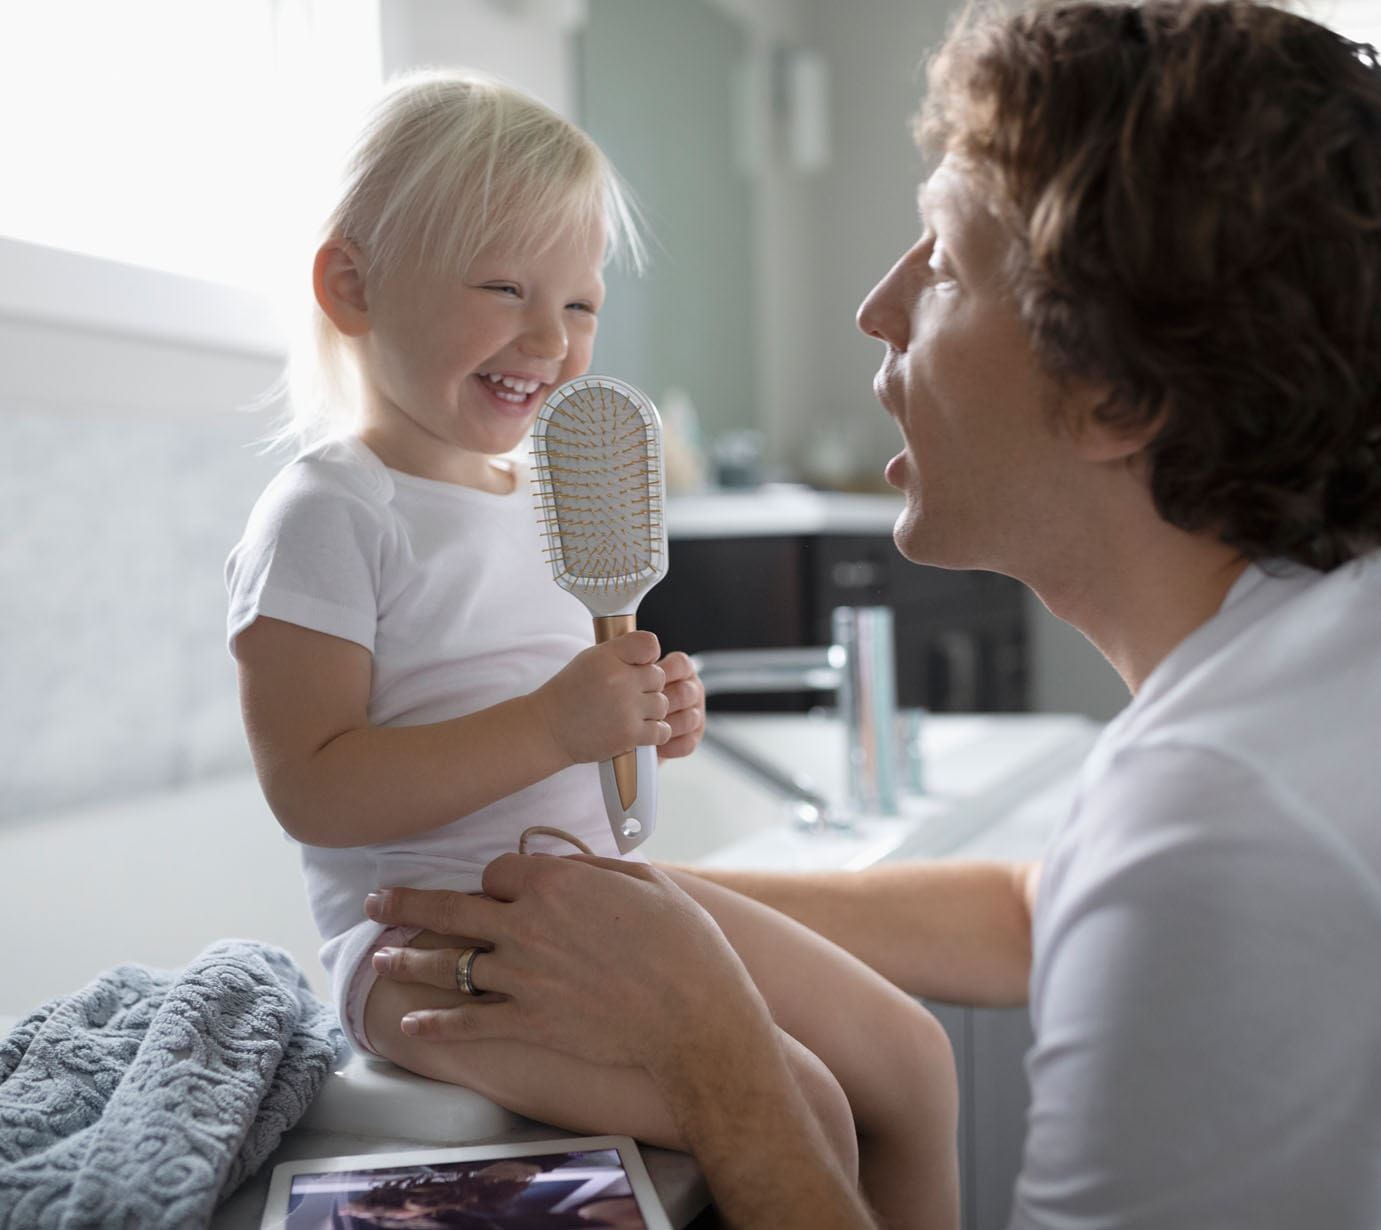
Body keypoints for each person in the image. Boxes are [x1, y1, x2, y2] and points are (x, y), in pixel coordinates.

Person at [362, 2, 1381, 1227]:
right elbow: (1050, 907)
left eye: (945, 263)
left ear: (1115, 392)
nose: (877, 307)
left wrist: (711, 1047)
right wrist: (654, 908)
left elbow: (1184, 882)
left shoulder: (1239, 834)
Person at [224, 68, 960, 1229]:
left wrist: (649, 717)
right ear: (352, 285)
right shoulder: (331, 512)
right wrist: (553, 726)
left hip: (596, 901)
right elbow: (311, 788)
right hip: (432, 946)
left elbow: (561, 719)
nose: (548, 338)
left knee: (911, 1057)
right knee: (800, 1101)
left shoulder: (540, 494)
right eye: (506, 288)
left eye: (580, 304)